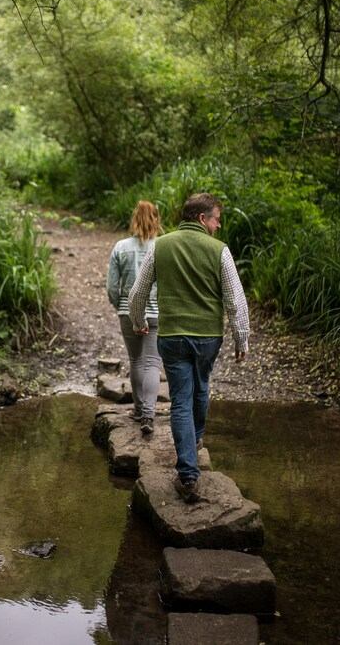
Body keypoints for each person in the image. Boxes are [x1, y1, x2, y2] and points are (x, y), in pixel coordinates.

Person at [128, 193, 249, 503]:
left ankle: (188, 475)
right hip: (208, 336)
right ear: (201, 219)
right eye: (216, 219)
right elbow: (235, 300)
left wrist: (137, 320)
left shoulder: (161, 246)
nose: (218, 226)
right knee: (201, 388)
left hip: (172, 336)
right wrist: (241, 338)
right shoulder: (219, 251)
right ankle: (193, 448)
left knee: (181, 398)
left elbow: (138, 291)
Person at [107, 200, 163, 436]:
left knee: (136, 360)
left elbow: (112, 286)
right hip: (157, 312)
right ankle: (149, 414)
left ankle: (139, 410)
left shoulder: (121, 247)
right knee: (152, 362)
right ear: (156, 219)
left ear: (134, 219)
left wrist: (118, 304)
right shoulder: (163, 246)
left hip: (128, 311)